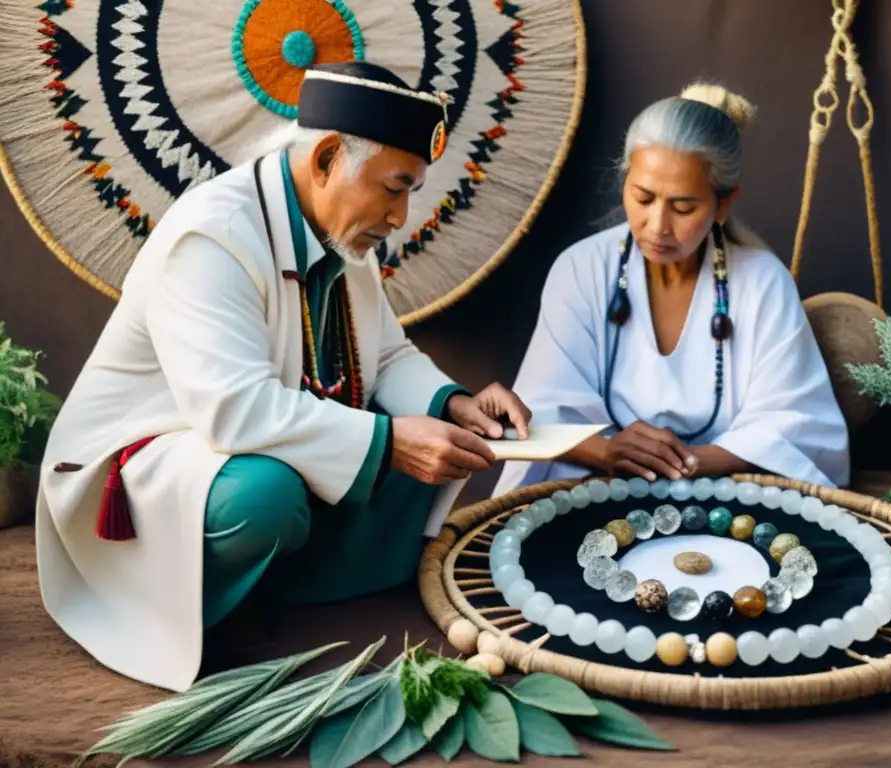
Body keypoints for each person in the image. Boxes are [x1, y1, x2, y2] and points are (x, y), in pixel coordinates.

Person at [35, 61, 532, 693]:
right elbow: (232, 410)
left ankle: (290, 570)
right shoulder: (210, 235)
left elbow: (384, 358)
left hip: (260, 446)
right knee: (267, 497)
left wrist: (453, 404)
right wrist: (389, 442)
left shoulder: (343, 232)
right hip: (149, 463)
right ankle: (203, 590)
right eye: (394, 187)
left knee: (438, 449)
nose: (401, 216)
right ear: (327, 158)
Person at [492, 82, 849, 499]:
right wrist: (607, 452)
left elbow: (796, 422)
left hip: (730, 495)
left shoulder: (762, 283)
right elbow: (541, 412)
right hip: (597, 489)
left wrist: (685, 463)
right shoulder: (582, 269)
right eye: (643, 198)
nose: (658, 225)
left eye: (683, 208)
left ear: (724, 204)